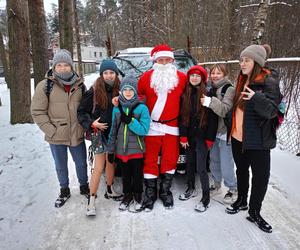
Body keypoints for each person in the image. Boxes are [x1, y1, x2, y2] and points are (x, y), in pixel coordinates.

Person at [225, 44, 281, 233]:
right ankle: (241, 200)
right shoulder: (241, 79)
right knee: (241, 170)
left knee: (260, 177)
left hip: (258, 140)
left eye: (247, 60)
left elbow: (273, 111)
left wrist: (256, 98)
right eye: (241, 60)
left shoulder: (269, 81)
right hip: (238, 137)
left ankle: (254, 211)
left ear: (256, 61)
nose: (242, 63)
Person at [31, 49, 89, 208]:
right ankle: (64, 190)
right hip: (56, 136)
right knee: (60, 165)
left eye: (66, 65)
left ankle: (84, 186)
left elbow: (86, 109)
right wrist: (51, 130)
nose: (63, 68)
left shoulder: (80, 85)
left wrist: (85, 126)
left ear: (71, 66)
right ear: (54, 67)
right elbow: (37, 111)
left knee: (81, 163)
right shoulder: (45, 86)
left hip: (76, 133)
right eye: (59, 65)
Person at [138, 44, 186, 211]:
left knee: (170, 158)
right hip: (151, 126)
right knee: (150, 159)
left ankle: (165, 192)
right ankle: (150, 193)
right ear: (155, 60)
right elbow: (136, 100)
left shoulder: (181, 78)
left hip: (172, 125)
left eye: (167, 60)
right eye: (161, 59)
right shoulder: (145, 78)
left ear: (172, 60)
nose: (164, 63)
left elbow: (189, 100)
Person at [77, 59, 122, 216]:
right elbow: (81, 112)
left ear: (116, 74)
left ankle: (110, 189)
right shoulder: (94, 91)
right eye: (105, 73)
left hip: (113, 133)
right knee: (99, 166)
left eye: (111, 73)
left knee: (111, 163)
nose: (109, 76)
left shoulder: (120, 89)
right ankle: (91, 200)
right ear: (101, 74)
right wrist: (92, 124)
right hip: (97, 134)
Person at [107, 75, 150, 212]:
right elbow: (113, 130)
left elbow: (144, 130)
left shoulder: (142, 108)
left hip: (136, 150)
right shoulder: (116, 108)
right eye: (125, 89)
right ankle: (127, 196)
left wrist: (130, 121)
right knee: (125, 176)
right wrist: (111, 150)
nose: (128, 92)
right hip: (122, 151)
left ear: (135, 91)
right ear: (121, 91)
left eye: (131, 90)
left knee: (137, 175)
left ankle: (137, 196)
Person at [179, 65, 218, 212]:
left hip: (202, 138)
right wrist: (183, 136)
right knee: (189, 163)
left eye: (197, 75)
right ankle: (190, 187)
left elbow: (213, 119)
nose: (194, 78)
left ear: (202, 78)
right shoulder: (185, 94)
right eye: (192, 75)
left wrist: (209, 139)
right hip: (189, 137)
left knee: (201, 167)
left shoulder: (208, 95)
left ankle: (205, 197)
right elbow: (182, 117)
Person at [201, 64, 237, 204]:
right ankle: (217, 185)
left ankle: (232, 189)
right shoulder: (210, 88)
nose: (215, 76)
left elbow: (224, 110)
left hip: (225, 132)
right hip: (213, 132)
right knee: (214, 161)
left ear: (225, 74)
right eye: (213, 73)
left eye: (218, 73)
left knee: (226, 163)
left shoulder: (229, 89)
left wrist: (210, 101)